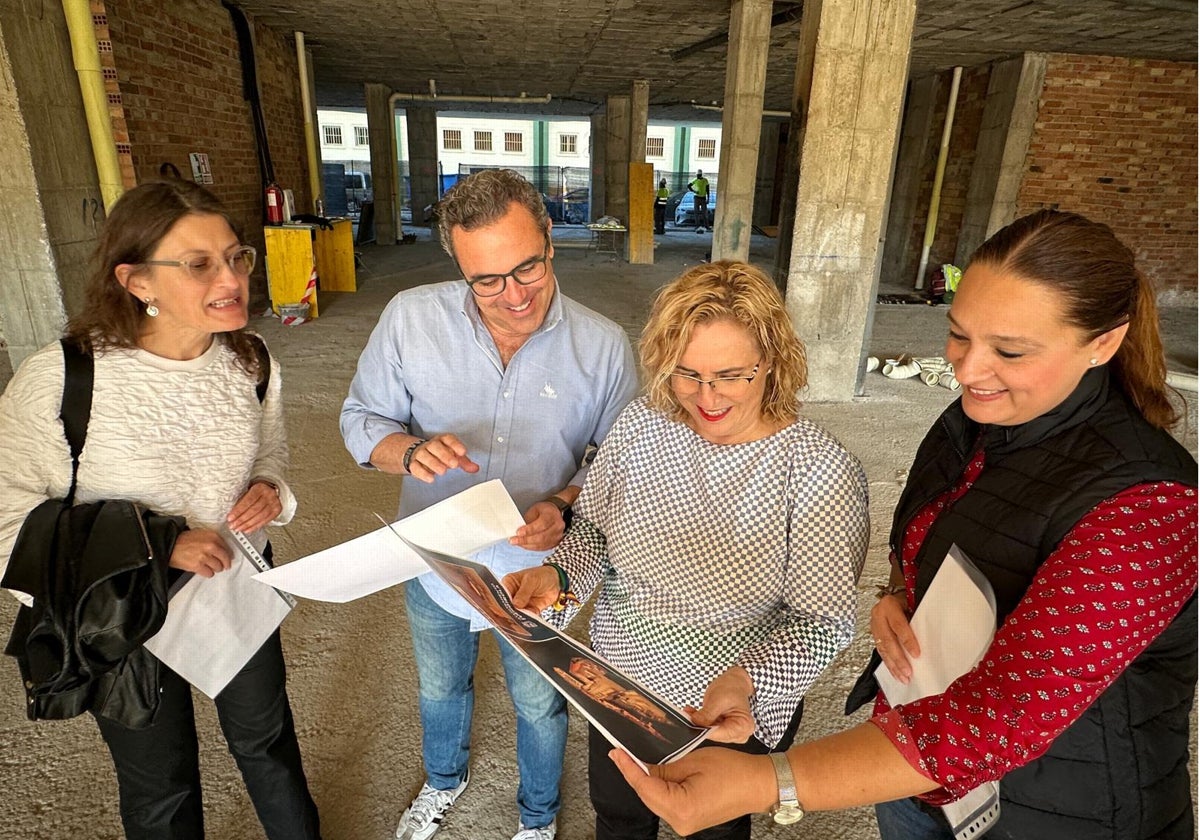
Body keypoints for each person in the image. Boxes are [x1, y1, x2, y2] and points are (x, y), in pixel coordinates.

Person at [608, 210, 1198, 840]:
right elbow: (918, 541)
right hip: (915, 780)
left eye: (1009, 350)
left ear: (1103, 342)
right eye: (958, 335)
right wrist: (897, 594)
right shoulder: (969, 423)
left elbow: (998, 719)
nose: (968, 370)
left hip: (1059, 808)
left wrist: (768, 781)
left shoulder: (1150, 503)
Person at [505, 261, 871, 840]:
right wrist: (559, 578)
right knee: (619, 812)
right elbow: (596, 532)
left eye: (730, 375)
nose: (706, 398)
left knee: (711, 831)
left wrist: (747, 677)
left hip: (723, 703)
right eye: (687, 374)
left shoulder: (820, 469)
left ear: (771, 362)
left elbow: (822, 622)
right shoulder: (641, 426)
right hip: (620, 679)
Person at [0, 180, 321, 839]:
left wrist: (269, 489)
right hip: (121, 607)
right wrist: (158, 543)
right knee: (161, 786)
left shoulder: (250, 360)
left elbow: (271, 451)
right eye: (199, 264)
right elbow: (8, 524)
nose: (231, 278)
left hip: (233, 584)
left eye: (235, 256)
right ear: (137, 279)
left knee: (269, 746)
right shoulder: (64, 377)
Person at [339, 168, 638, 840]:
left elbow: (617, 464)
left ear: (550, 240)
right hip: (435, 558)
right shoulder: (410, 319)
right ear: (459, 266)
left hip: (539, 571)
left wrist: (563, 502)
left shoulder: (604, 346)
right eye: (487, 280)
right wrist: (408, 453)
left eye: (525, 268)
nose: (513, 296)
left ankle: (537, 818)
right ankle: (444, 781)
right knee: (441, 689)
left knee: (539, 703)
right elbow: (361, 420)